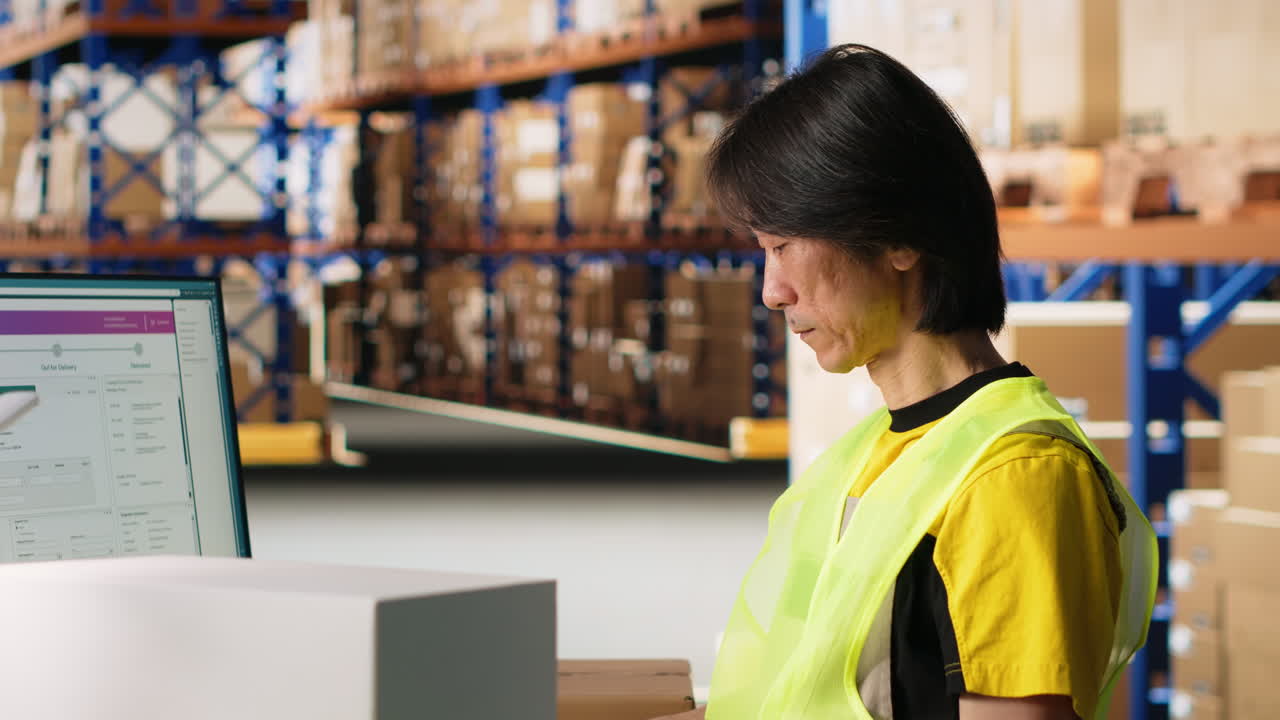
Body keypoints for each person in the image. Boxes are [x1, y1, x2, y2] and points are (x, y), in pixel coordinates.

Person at [657, 45, 1156, 720]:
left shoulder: (1014, 477)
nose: (773, 291)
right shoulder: (874, 455)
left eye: (784, 247)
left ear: (898, 238)